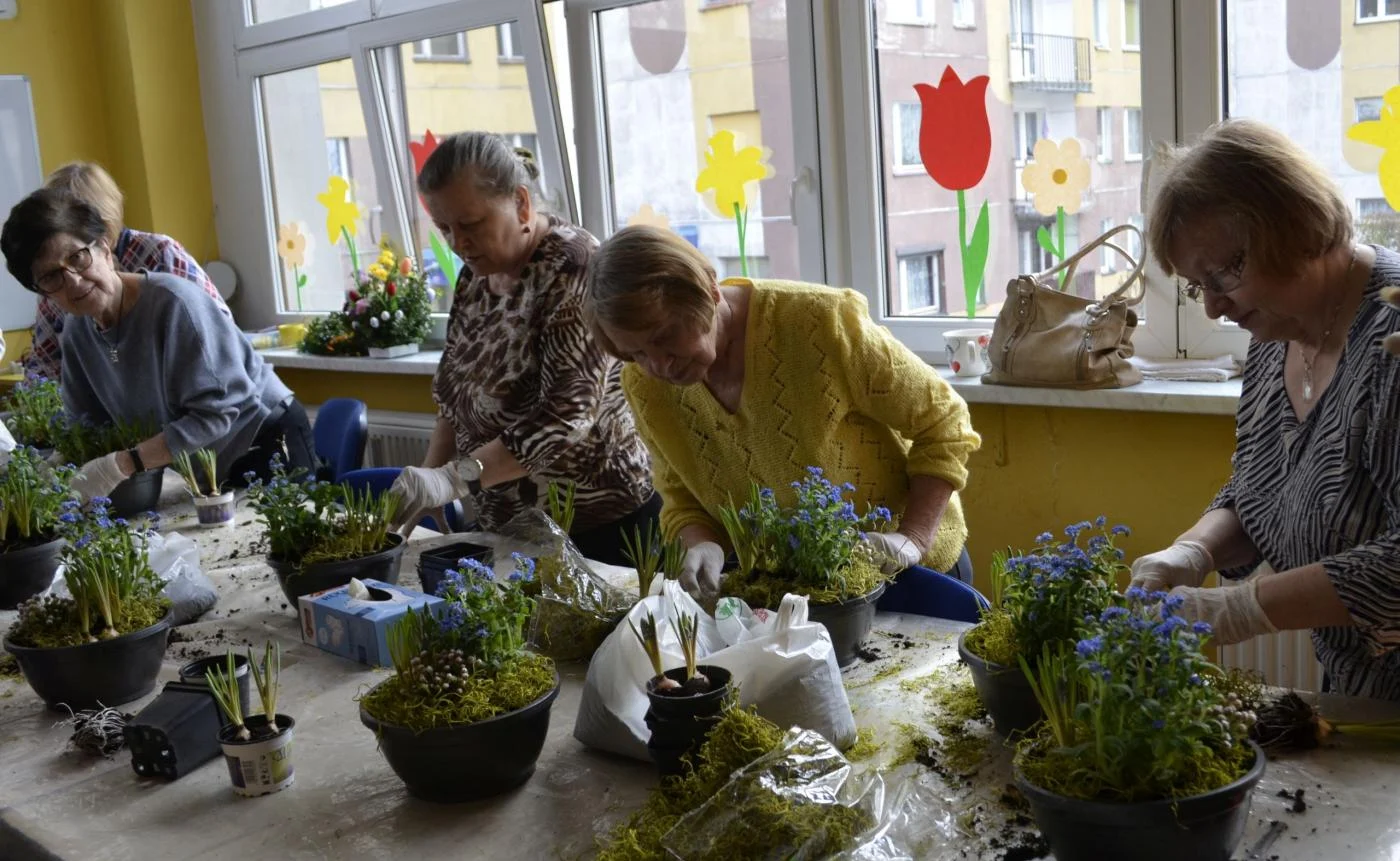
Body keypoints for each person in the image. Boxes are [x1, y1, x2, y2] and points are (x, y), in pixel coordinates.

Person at [1129, 118, 1400, 700]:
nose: (1212, 308)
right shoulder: (1276, 337)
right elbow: (1255, 488)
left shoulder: (1393, 338)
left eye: (1225, 272)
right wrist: (1191, 550)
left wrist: (1238, 608)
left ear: (1293, 224)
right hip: (1358, 692)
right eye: (1198, 286)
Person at [583, 225, 982, 597]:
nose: (659, 366)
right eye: (635, 353)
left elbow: (944, 420)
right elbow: (681, 495)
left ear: (708, 289)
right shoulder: (644, 385)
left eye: (665, 337)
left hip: (911, 571)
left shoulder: (819, 324)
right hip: (799, 589)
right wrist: (701, 544)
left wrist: (910, 538)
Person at [386, 132, 658, 566]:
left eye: (471, 224)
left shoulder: (573, 266)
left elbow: (565, 418)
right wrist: (430, 477)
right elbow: (453, 391)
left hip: (597, 528)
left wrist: (454, 479)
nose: (457, 243)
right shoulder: (476, 275)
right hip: (511, 527)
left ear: (522, 204)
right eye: (444, 228)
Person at [0, 188, 312, 498]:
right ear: (42, 291)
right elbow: (87, 423)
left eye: (77, 257)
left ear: (105, 249)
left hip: (263, 440)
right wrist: (61, 462)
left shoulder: (175, 305)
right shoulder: (78, 332)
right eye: (52, 276)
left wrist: (121, 465)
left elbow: (218, 413)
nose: (74, 281)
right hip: (200, 460)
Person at [25, 162, 228, 382]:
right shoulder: (54, 278)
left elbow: (219, 330)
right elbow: (44, 366)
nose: (71, 278)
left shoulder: (160, 253)